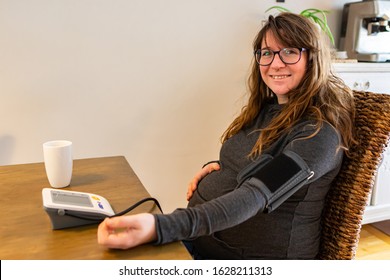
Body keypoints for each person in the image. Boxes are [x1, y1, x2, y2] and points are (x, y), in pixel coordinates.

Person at [97, 12, 355, 259]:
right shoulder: (267, 110)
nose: (275, 63)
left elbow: (256, 194)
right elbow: (253, 161)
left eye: (289, 51)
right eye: (267, 53)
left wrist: (160, 227)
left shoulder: (319, 134)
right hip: (202, 241)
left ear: (312, 58)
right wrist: (219, 169)